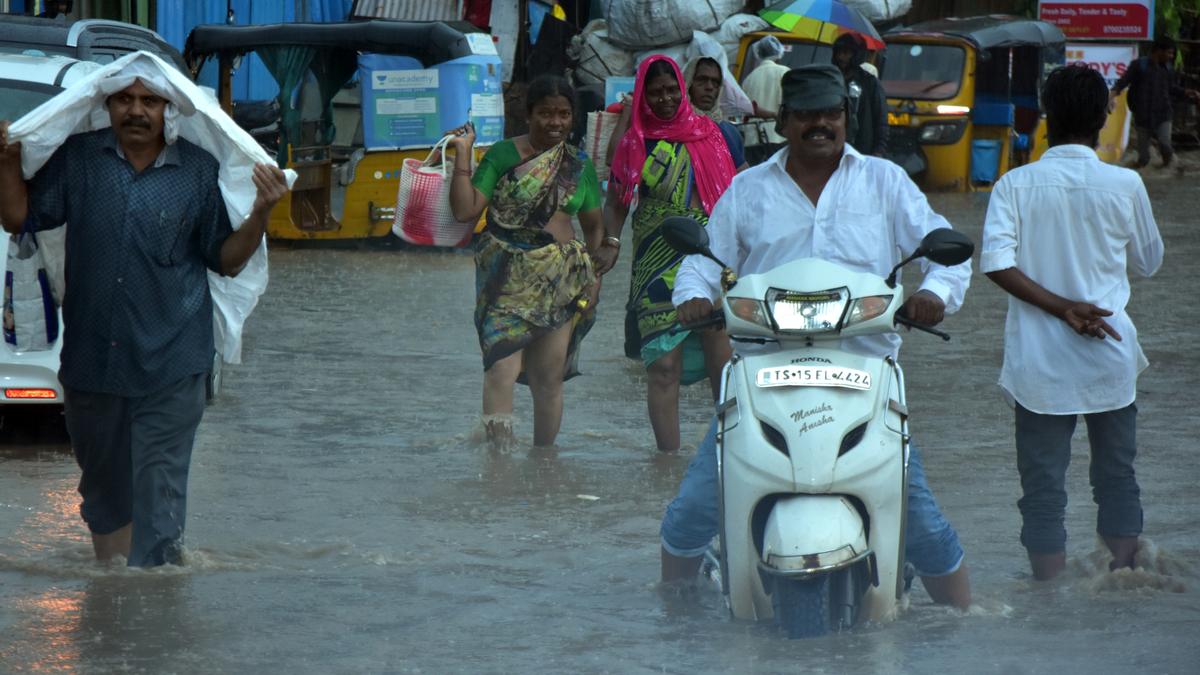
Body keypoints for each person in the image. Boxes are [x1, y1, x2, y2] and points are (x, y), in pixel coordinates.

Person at [660, 64, 973, 609]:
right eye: (806, 115)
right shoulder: (748, 189)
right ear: (783, 121)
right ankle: (671, 612)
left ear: (846, 119)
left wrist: (934, 298)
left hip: (865, 371)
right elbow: (702, 261)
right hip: (763, 369)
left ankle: (970, 620)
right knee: (691, 512)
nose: (820, 124)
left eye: (831, 114)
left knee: (921, 520)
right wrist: (691, 297)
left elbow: (944, 253)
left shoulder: (885, 181)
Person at [0, 73, 288, 567]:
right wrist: (6, 161)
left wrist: (260, 212)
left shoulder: (198, 172)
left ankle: (155, 611)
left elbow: (227, 259)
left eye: (150, 101)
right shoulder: (79, 159)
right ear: (107, 106)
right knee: (104, 496)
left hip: (173, 363)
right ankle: (114, 603)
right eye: (125, 100)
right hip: (93, 363)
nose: (137, 111)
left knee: (159, 495)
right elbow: (18, 217)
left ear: (168, 110)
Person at [981, 65, 1164, 581]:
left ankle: (1048, 601)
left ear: (1046, 117)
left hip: (1040, 364)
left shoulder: (1013, 185)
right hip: (1110, 355)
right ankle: (1129, 579)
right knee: (1117, 478)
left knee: (1042, 489)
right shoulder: (1125, 183)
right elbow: (1149, 264)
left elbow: (995, 263)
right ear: (1105, 115)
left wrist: (1061, 307)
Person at [595, 55, 746, 452]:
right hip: (654, 263)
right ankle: (667, 463)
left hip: (711, 256)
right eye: (655, 91)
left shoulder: (714, 135)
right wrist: (610, 243)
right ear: (643, 95)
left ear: (683, 90)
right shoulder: (636, 142)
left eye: (670, 90)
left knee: (723, 360)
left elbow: (737, 200)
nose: (664, 98)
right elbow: (615, 201)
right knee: (663, 367)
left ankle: (731, 451)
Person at [448, 74, 603, 450]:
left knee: (548, 377)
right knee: (501, 369)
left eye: (564, 114)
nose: (555, 122)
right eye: (546, 113)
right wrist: (464, 155)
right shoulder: (503, 155)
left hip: (560, 282)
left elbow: (595, 227)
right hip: (504, 280)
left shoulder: (579, 165)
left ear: (573, 117)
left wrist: (595, 279)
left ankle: (543, 462)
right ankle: (499, 464)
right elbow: (465, 210)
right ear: (528, 114)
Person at [1109, 36, 1200, 169]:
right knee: (1144, 159)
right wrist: (1111, 97)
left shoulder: (1168, 69)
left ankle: (1168, 171)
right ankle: (1139, 171)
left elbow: (1172, 88)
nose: (1171, 56)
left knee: (1165, 144)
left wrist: (1188, 92)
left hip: (1163, 114)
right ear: (1158, 51)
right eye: (1169, 52)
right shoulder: (1138, 65)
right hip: (1142, 116)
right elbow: (1123, 82)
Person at [832, 33, 887, 156]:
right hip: (833, 148)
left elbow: (880, 117)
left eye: (846, 53)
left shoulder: (869, 82)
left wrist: (879, 149)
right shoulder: (830, 80)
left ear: (857, 54)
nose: (841, 57)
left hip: (861, 147)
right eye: (838, 52)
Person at [739, 35, 791, 150]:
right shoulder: (785, 72)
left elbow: (742, 111)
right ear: (779, 54)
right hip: (778, 139)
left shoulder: (749, 78)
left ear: (759, 53)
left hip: (751, 141)